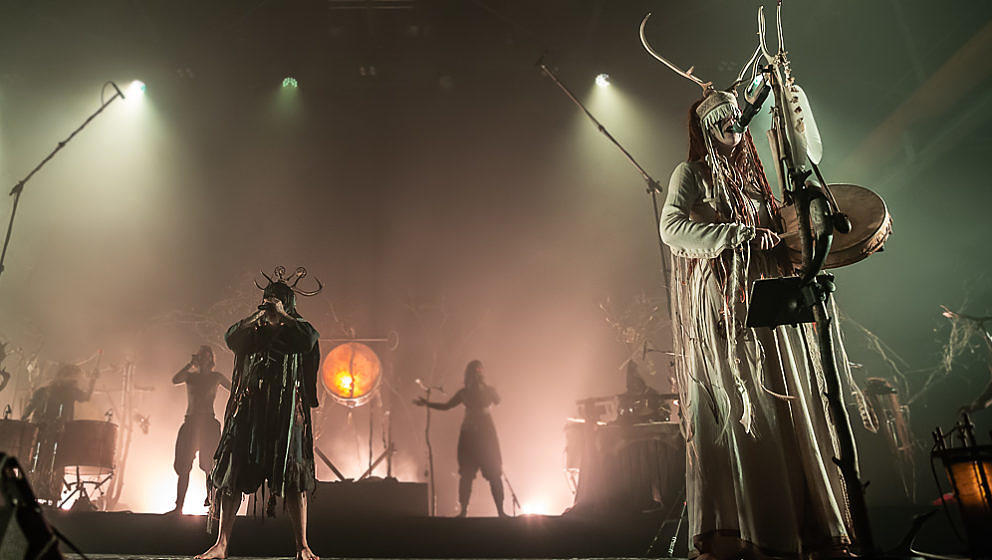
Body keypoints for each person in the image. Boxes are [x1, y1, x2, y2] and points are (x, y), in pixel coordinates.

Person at [642, 28, 860, 559]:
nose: (730, 127)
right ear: (703, 127)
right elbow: (672, 227)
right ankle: (750, 528)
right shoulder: (691, 173)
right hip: (726, 298)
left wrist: (786, 87)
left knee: (790, 396)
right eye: (718, 120)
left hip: (772, 286)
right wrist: (731, 236)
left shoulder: (761, 176)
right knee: (748, 404)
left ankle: (810, 525)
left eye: (734, 118)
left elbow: (805, 151)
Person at [198, 267, 321, 560]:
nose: (270, 303)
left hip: (286, 416)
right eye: (267, 299)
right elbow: (231, 337)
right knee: (233, 474)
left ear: (287, 303)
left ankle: (302, 546)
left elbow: (310, 338)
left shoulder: (297, 330)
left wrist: (285, 316)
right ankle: (221, 545)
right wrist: (258, 315)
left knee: (294, 477)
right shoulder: (254, 332)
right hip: (250, 414)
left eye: (276, 300)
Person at [414, 360, 506, 517]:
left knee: (494, 473)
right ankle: (464, 511)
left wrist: (491, 388)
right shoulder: (464, 393)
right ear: (469, 374)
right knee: (466, 474)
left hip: (486, 436)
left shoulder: (487, 391)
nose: (478, 374)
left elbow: (497, 400)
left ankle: (500, 511)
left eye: (480, 371)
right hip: (469, 437)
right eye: (475, 372)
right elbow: (447, 406)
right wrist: (427, 404)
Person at [169, 345, 231, 515]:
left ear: (212, 359)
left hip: (208, 424)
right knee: (183, 465)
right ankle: (179, 507)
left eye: (207, 355)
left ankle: (213, 505)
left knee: (209, 465)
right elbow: (175, 379)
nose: (204, 358)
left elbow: (234, 389)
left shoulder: (216, 377)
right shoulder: (190, 377)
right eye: (201, 355)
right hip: (190, 422)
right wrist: (190, 364)